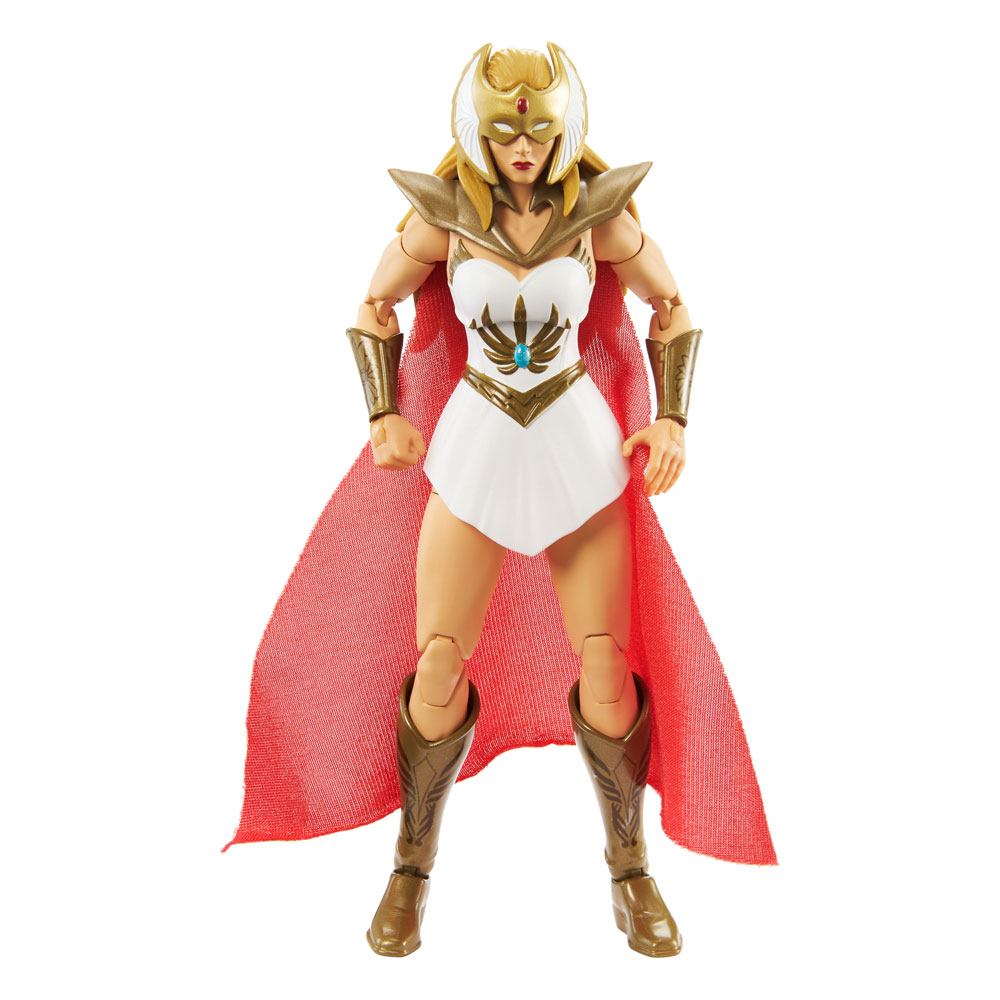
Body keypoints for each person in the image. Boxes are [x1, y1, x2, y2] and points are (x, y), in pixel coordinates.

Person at [227, 42, 775, 960]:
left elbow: (672, 306)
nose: (523, 146)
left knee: (607, 667)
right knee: (438, 662)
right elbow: (374, 307)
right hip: (474, 449)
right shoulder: (442, 218)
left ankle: (630, 868)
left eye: (540, 130)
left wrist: (673, 419)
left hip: (580, 456)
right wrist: (383, 413)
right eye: (505, 131)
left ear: (566, 129)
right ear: (475, 130)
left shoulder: (599, 217)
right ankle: (411, 867)